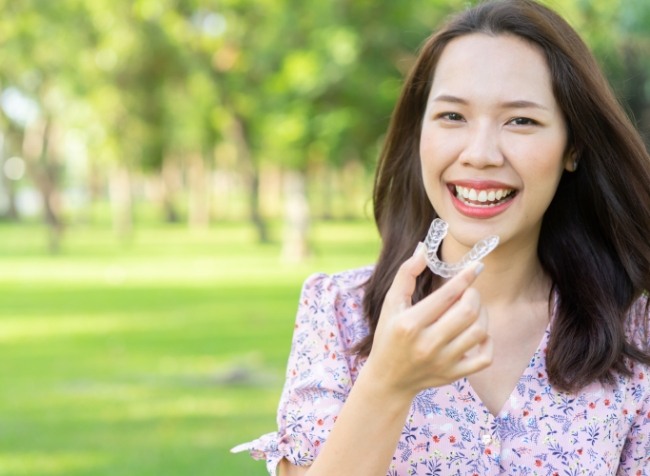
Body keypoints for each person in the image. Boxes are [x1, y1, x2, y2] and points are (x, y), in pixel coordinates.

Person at [232, 0, 650, 474]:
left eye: (521, 120)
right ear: (419, 133)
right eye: (453, 116)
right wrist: (387, 383)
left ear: (572, 147)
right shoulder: (339, 314)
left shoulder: (634, 333)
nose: (480, 154)